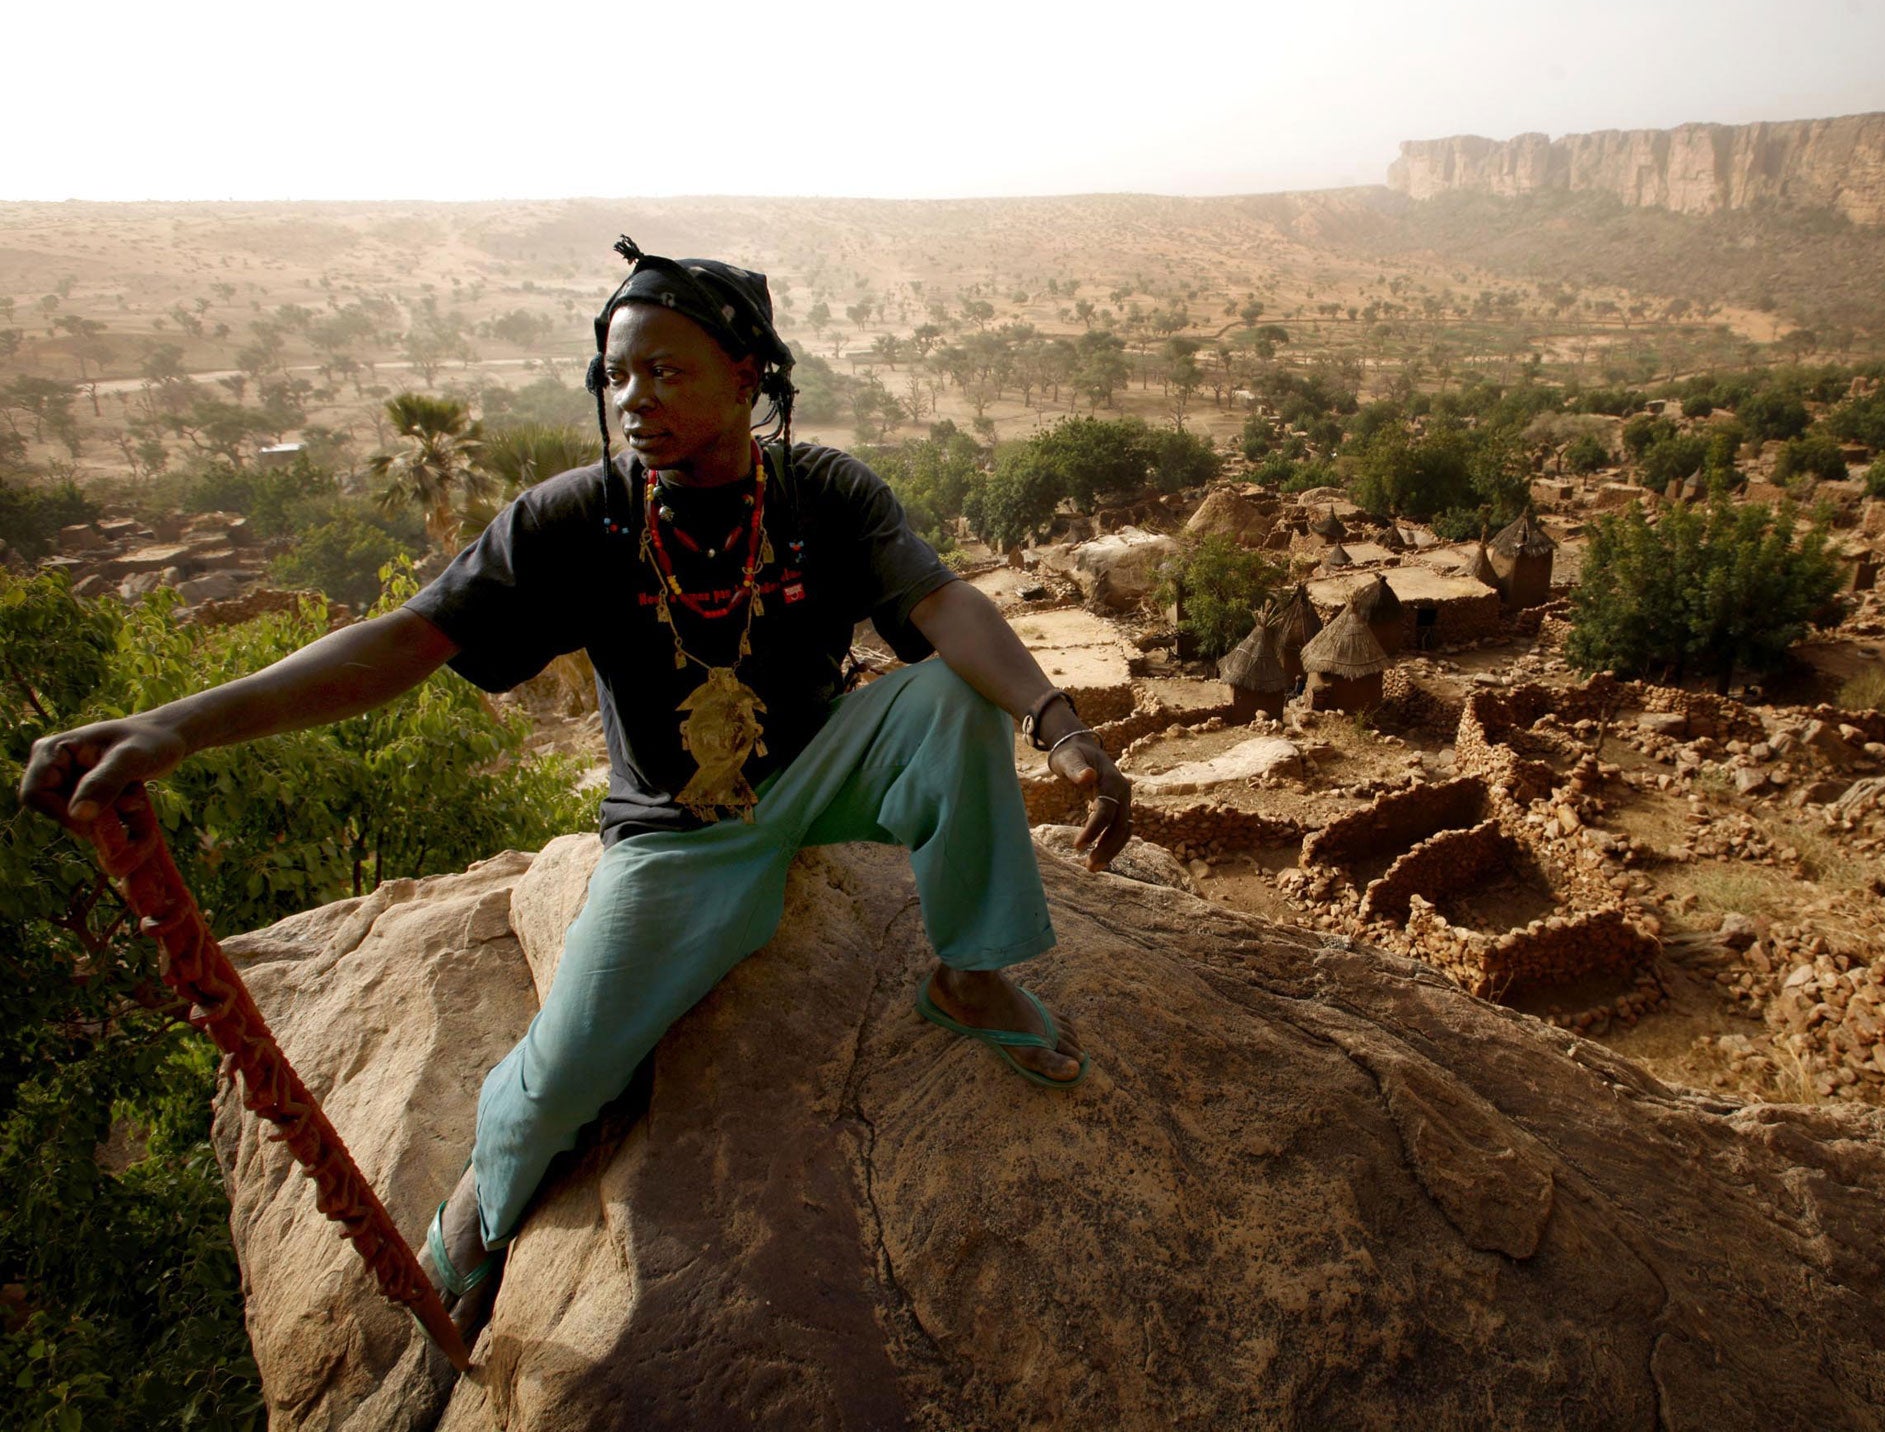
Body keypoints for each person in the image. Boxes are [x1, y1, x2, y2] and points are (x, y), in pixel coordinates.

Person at [19, 239, 1133, 1343]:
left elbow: (945, 610)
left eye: (664, 370)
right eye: (616, 373)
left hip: (820, 764)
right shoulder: (579, 519)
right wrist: (177, 724)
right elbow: (402, 641)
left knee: (947, 696)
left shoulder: (822, 491)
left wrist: (1060, 724)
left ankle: (968, 973)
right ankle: (478, 1210)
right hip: (676, 835)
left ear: (747, 380)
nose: (632, 398)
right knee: (565, 1079)